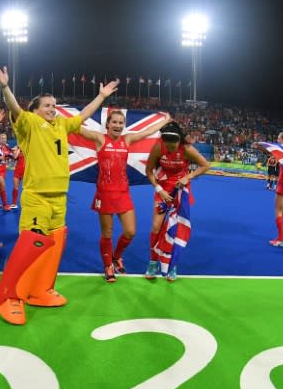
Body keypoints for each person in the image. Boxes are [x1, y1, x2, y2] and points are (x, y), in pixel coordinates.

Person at [0, 63, 118, 325]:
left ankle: (40, 290)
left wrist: (102, 97)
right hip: (37, 196)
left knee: (54, 245)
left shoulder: (61, 124)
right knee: (32, 243)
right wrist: (5, 87)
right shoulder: (29, 123)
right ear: (36, 109)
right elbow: (15, 108)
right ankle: (7, 296)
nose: (52, 108)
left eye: (54, 105)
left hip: (60, 197)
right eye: (47, 105)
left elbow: (82, 116)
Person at [80, 110, 172, 282]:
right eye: (114, 122)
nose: (117, 126)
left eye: (121, 123)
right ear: (107, 124)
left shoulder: (127, 139)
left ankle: (116, 256)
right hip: (104, 192)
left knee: (130, 232)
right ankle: (108, 265)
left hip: (123, 192)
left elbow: (147, 132)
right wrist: (59, 118)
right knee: (107, 233)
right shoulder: (100, 139)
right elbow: (77, 128)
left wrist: (165, 121)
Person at [144, 121, 211, 281]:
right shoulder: (159, 147)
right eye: (167, 144)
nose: (170, 147)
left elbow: (205, 165)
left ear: (179, 140)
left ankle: (172, 265)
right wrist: (159, 189)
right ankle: (153, 262)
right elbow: (149, 171)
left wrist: (188, 176)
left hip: (181, 191)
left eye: (173, 144)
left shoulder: (187, 149)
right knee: (156, 227)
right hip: (163, 190)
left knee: (176, 230)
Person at [10, 144, 24, 209]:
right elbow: (15, 157)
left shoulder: (26, 148)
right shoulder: (16, 149)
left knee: (25, 188)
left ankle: (25, 203)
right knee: (15, 187)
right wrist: (18, 149)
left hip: (26, 171)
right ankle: (14, 203)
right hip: (17, 171)